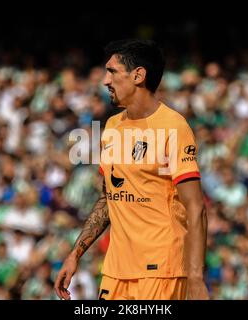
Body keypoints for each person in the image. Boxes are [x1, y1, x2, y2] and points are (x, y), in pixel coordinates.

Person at [58, 39, 209, 300]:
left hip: (161, 269)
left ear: (138, 75)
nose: (105, 80)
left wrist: (195, 278)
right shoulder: (113, 127)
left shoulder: (173, 127)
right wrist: (75, 254)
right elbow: (108, 198)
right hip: (116, 270)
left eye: (112, 71)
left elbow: (196, 207)